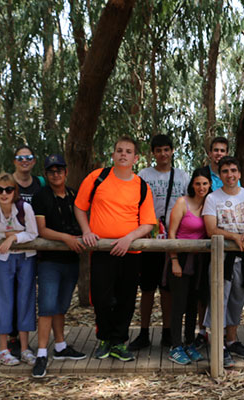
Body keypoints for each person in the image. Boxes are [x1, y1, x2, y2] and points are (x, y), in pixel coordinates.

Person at [74, 136, 157, 362]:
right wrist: (86, 231)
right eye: (119, 150)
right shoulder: (97, 178)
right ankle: (104, 338)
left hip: (129, 251)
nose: (123, 154)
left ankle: (119, 342)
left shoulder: (141, 186)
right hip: (101, 250)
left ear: (135, 158)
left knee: (126, 298)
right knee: (101, 298)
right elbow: (80, 207)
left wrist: (128, 238)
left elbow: (148, 223)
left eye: (128, 151)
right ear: (113, 154)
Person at [130, 134, 190, 351]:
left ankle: (167, 332)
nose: (163, 154)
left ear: (172, 151)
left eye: (166, 149)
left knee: (168, 289)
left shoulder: (182, 176)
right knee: (146, 288)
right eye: (158, 150)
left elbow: (190, 205)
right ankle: (143, 332)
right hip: (148, 239)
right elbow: (133, 204)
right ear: (152, 153)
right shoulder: (143, 175)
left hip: (173, 240)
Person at [30, 154, 87, 378]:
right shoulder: (40, 196)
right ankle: (41, 353)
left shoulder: (74, 194)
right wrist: (66, 238)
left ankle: (61, 346)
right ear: (46, 174)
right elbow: (42, 230)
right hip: (49, 260)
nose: (56, 174)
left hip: (71, 260)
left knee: (61, 305)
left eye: (60, 170)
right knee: (47, 306)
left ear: (65, 171)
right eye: (52, 171)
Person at [202, 156, 244, 368]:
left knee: (238, 298)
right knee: (219, 300)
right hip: (222, 257)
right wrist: (236, 237)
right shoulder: (213, 198)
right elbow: (211, 229)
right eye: (225, 171)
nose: (230, 175)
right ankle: (219, 345)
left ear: (240, 173)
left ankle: (232, 340)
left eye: (233, 170)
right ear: (219, 174)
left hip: (243, 258)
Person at [0, 172, 39, 366]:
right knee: (3, 301)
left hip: (26, 258)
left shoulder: (25, 209)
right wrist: (5, 236)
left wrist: (14, 238)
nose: (4, 193)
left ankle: (24, 348)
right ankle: (3, 350)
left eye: (8, 189)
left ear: (15, 191)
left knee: (25, 299)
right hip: (3, 260)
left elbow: (33, 233)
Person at [165, 167, 211, 365]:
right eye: (198, 183)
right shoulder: (182, 202)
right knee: (179, 304)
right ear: (192, 184)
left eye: (205, 184)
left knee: (194, 303)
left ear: (210, 185)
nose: (201, 187)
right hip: (181, 258)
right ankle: (175, 346)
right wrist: (174, 259)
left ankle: (189, 343)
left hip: (199, 260)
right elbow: (172, 233)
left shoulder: (210, 204)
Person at [8, 145, 44, 356]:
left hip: (36, 248)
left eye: (28, 157)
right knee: (12, 295)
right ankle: (14, 339)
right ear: (14, 161)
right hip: (12, 250)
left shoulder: (40, 184)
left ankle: (28, 339)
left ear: (33, 161)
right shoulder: (6, 184)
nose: (24, 161)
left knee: (29, 296)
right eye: (20, 158)